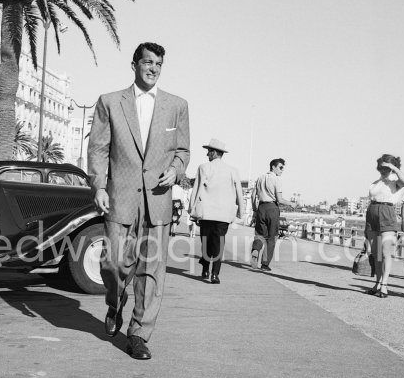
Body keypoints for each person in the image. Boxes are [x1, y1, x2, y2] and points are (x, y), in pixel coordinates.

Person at [87, 42, 190, 360]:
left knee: (151, 270)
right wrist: (99, 187)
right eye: (148, 62)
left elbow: (182, 151)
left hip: (158, 201)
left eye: (159, 64)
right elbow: (98, 148)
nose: (154, 68)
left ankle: (139, 335)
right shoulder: (109, 102)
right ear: (134, 65)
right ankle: (114, 303)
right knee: (113, 263)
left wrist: (175, 171)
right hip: (120, 197)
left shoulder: (177, 105)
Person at [189, 139, 243, 284]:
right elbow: (239, 193)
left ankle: (205, 269)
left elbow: (196, 189)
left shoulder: (204, 167)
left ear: (213, 153)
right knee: (219, 243)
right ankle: (215, 274)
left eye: (209, 151)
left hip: (206, 213)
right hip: (223, 214)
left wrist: (191, 209)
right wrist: (240, 212)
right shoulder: (233, 170)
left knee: (205, 242)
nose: (207, 154)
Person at [364, 154, 404, 298]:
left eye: (386, 167)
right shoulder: (376, 182)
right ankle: (377, 283)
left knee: (386, 252)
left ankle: (384, 285)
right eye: (381, 166)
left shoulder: (395, 180)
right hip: (372, 213)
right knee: (376, 253)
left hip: (387, 212)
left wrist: (393, 168)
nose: (383, 169)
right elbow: (371, 197)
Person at [250, 158, 296, 271]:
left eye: (283, 168)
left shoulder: (260, 178)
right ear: (273, 167)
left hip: (261, 208)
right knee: (272, 238)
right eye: (280, 167)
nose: (282, 170)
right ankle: (265, 264)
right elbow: (279, 199)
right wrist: (291, 204)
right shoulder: (277, 179)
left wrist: (255, 210)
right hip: (272, 208)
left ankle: (256, 249)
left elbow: (253, 195)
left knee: (260, 235)